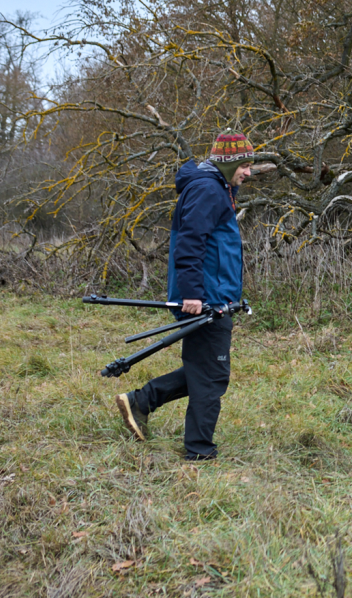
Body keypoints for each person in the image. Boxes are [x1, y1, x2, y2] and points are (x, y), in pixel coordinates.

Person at [114, 131, 255, 460]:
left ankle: (140, 402)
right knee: (212, 376)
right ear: (229, 163)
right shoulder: (208, 189)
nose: (249, 172)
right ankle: (199, 452)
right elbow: (190, 242)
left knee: (204, 369)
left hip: (216, 295)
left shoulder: (217, 186)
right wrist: (193, 293)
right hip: (205, 298)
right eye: (245, 165)